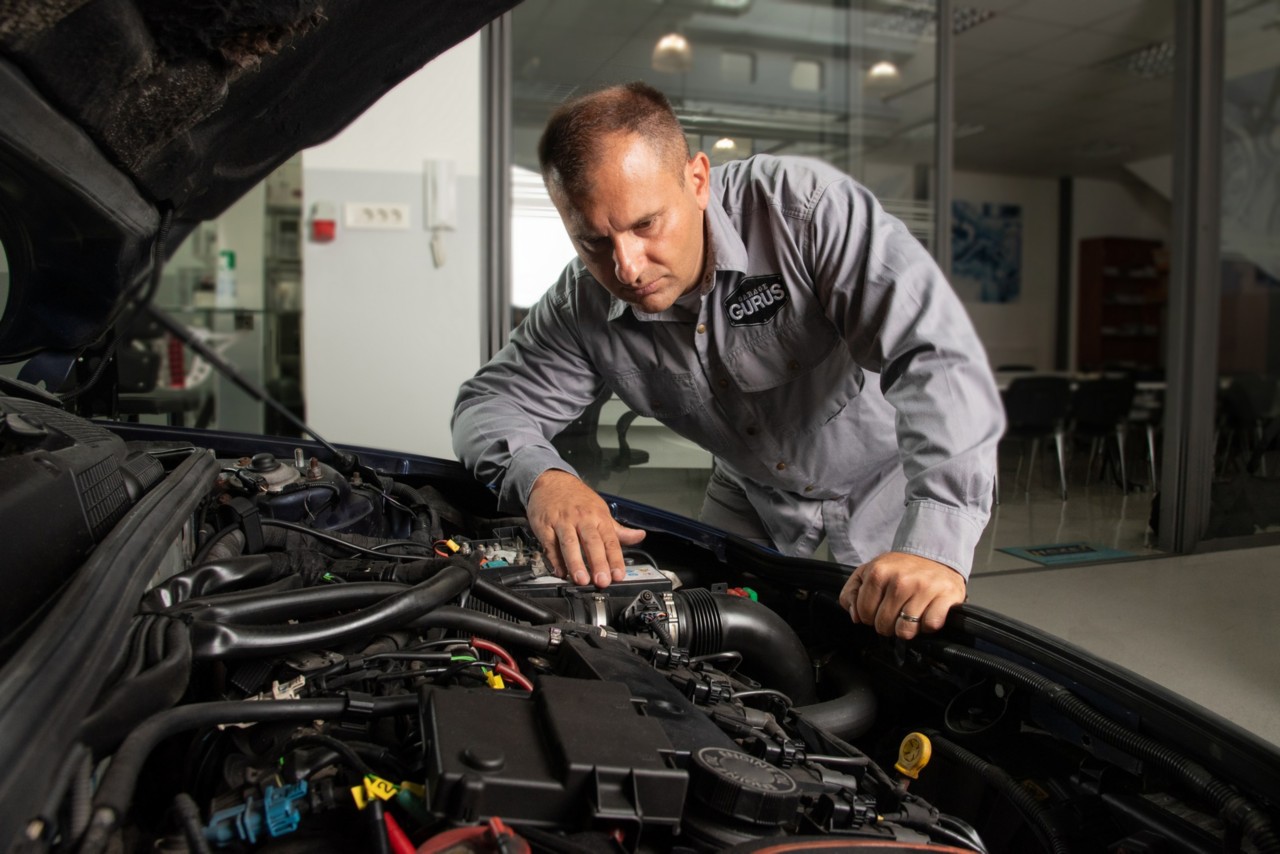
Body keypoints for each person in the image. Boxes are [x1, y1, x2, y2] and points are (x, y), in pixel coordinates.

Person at [452, 82, 1004, 639]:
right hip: (750, 499)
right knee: (710, 646)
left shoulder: (804, 211)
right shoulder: (581, 305)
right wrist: (545, 479)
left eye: (646, 225)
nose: (626, 268)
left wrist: (935, 541)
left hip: (885, 487)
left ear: (696, 179)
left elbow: (936, 352)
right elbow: (488, 403)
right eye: (593, 241)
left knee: (891, 668)